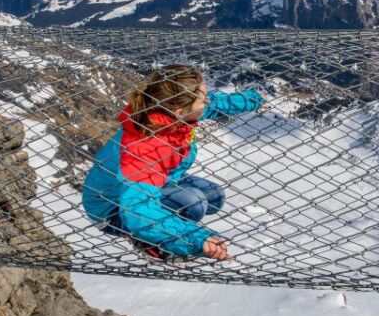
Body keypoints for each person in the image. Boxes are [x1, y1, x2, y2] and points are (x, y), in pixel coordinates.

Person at [82, 64, 266, 262]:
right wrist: (195, 239)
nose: (207, 99)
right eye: (202, 97)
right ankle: (152, 243)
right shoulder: (145, 148)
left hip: (155, 182)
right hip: (113, 209)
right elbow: (136, 211)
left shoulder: (168, 111)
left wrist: (254, 99)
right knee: (194, 203)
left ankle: (166, 225)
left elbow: (215, 104)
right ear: (180, 111)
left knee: (214, 196)